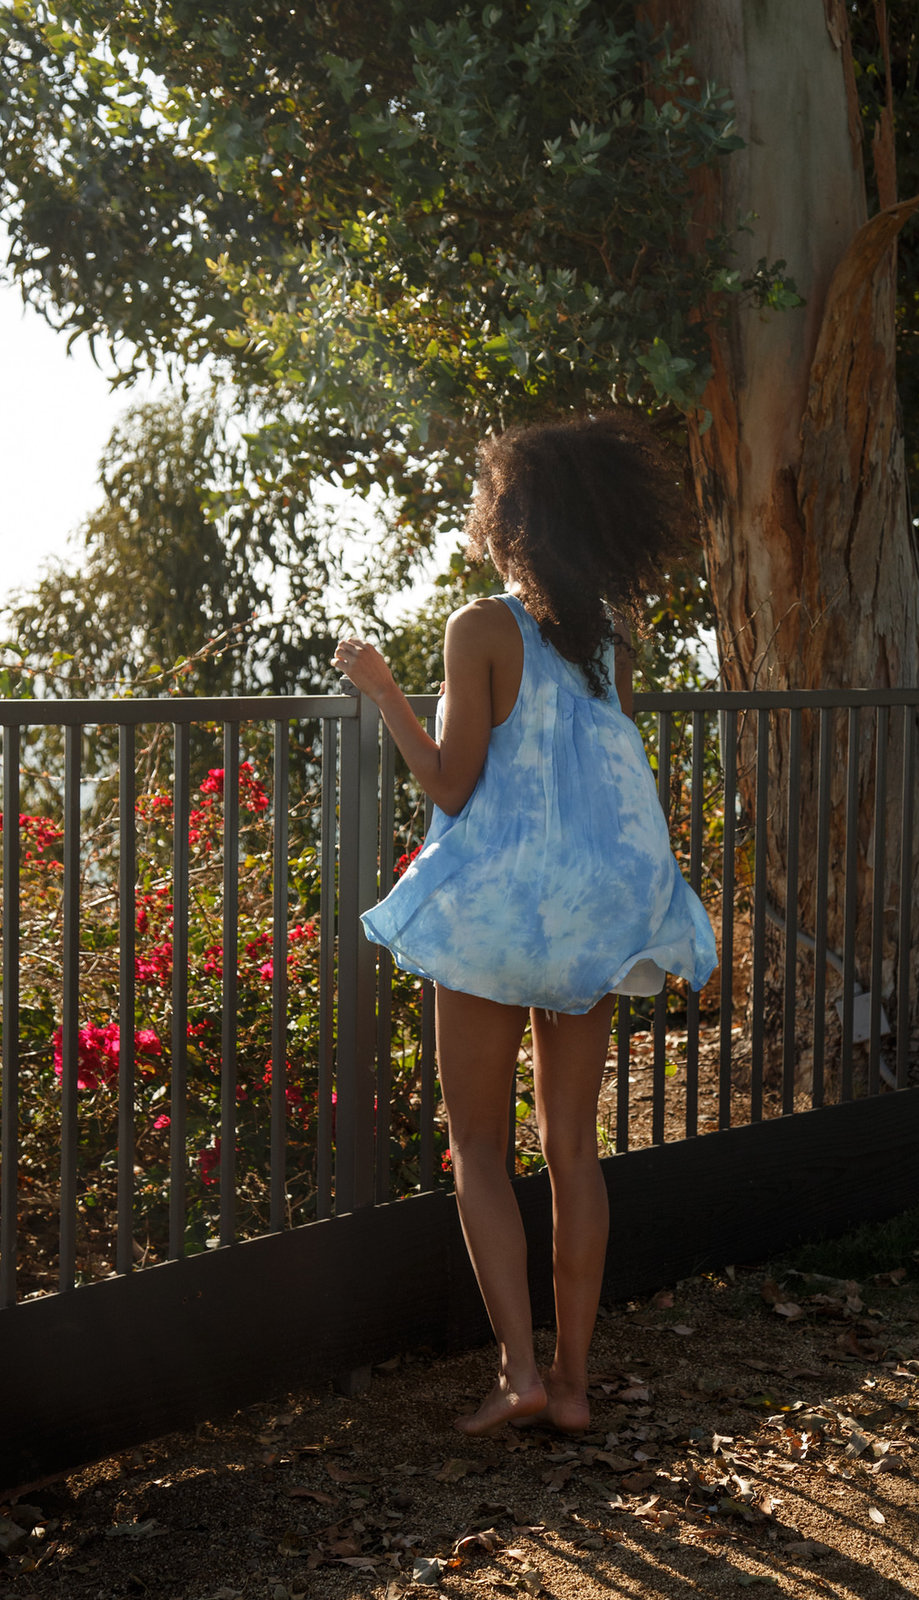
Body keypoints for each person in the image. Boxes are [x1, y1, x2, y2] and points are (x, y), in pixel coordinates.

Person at [333, 412, 717, 1437]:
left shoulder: (480, 628)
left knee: (477, 1146)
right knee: (573, 1149)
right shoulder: (607, 643)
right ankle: (576, 1383)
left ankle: (518, 1374)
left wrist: (382, 690)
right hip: (592, 916)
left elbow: (450, 786)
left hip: (497, 917)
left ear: (510, 516)